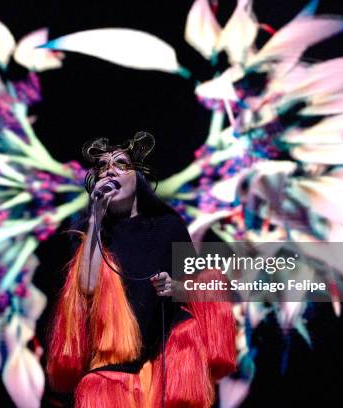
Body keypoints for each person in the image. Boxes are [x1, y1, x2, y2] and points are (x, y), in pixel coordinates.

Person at [47, 132, 236, 407]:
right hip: (112, 370)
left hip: (161, 366)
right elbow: (87, 287)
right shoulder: (93, 233)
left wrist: (174, 287)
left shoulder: (167, 226)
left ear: (139, 177)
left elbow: (198, 290)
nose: (109, 171)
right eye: (102, 168)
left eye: (121, 164)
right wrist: (95, 218)